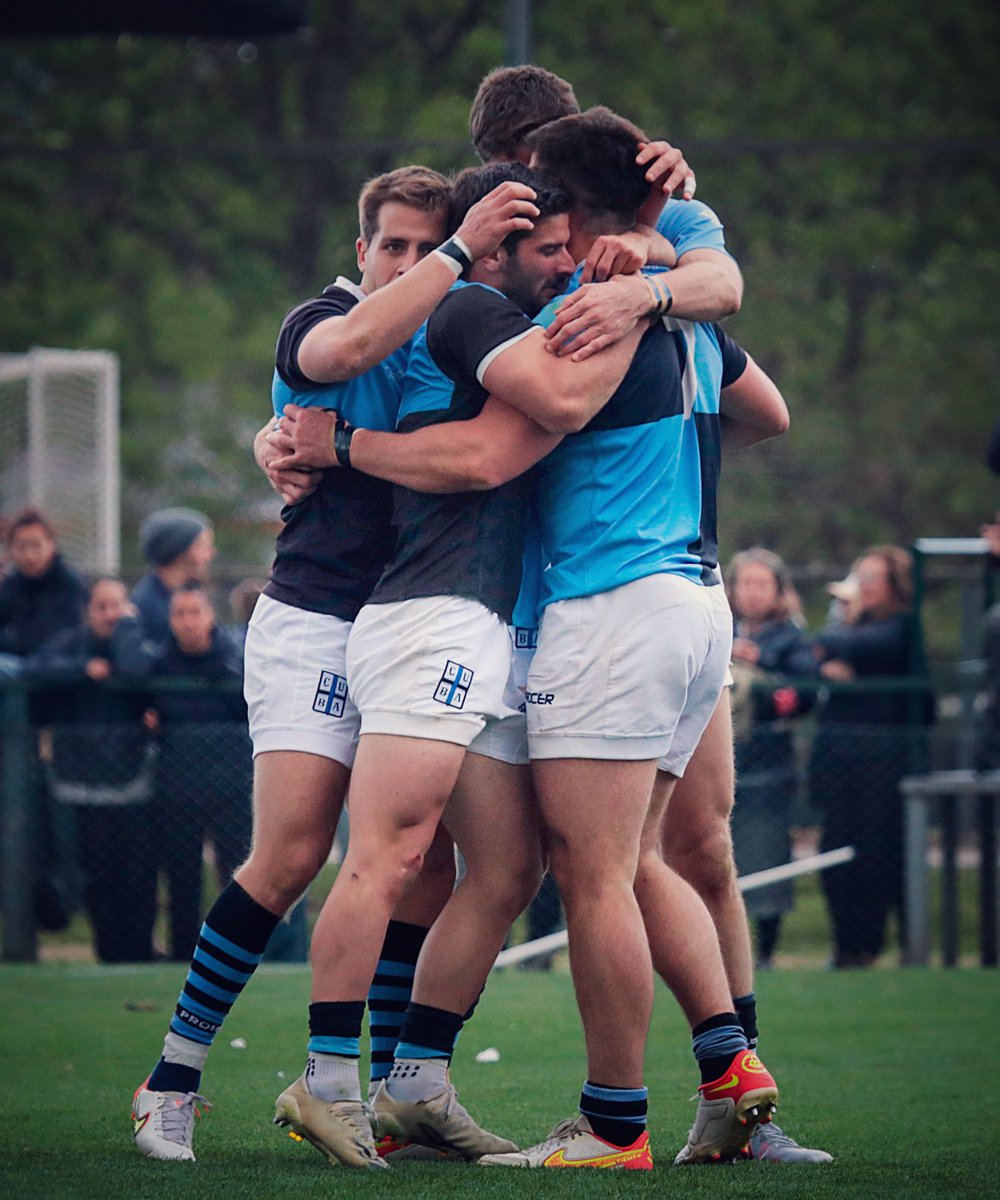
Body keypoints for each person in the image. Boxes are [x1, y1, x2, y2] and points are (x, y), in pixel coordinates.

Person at [131, 165, 540, 1162]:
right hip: (316, 618)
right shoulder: (323, 318)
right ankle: (172, 1078)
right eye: (390, 246)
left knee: (432, 862)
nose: (407, 261)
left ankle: (401, 1084)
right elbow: (345, 349)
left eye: (424, 244)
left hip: (409, 620)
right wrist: (445, 256)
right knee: (293, 854)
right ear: (363, 253)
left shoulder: (449, 331)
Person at [467, 65, 829, 1164]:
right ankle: (732, 1071)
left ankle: (612, 1127)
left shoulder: (589, 303)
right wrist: (662, 276)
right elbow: (760, 404)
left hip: (610, 602)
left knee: (592, 874)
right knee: (640, 862)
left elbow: (537, 414)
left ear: (562, 206)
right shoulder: (670, 287)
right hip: (691, 596)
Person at [272, 160, 653, 1169]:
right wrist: (636, 309)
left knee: (506, 867)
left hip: (472, 626)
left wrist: (655, 264)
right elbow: (498, 449)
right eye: (546, 249)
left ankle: (414, 1083)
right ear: (492, 250)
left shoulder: (485, 317)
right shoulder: (473, 311)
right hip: (427, 620)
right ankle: (327, 1082)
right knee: (386, 856)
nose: (565, 264)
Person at [23, 578, 156, 962]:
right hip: (80, 786)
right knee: (99, 878)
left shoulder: (135, 641)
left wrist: (128, 631)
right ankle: (108, 954)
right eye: (102, 606)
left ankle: (140, 953)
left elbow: (139, 673)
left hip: (132, 785)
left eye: (118, 606)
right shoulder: (70, 644)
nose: (110, 614)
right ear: (88, 610)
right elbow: (35, 668)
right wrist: (82, 668)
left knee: (138, 877)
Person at [810, 545, 920, 968]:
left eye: (873, 579)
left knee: (877, 858)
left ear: (894, 585)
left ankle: (872, 945)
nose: (863, 588)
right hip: (841, 761)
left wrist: (844, 646)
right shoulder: (852, 625)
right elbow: (817, 650)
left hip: (883, 762)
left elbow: (854, 644)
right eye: (861, 578)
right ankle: (846, 946)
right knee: (836, 856)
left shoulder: (901, 626)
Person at [146, 583, 252, 962]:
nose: (187, 622)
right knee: (181, 880)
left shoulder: (236, 661)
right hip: (178, 790)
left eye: (195, 613)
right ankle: (181, 955)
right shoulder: (158, 666)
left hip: (231, 788)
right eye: (179, 614)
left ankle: (236, 956)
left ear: (210, 616)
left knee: (237, 877)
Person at [727, 549, 816, 969]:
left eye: (762, 584)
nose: (753, 592)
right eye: (746, 583)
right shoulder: (717, 626)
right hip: (715, 766)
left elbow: (806, 694)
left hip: (767, 769)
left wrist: (762, 664)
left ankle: (764, 952)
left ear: (779, 590)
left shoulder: (791, 638)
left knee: (766, 857)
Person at [0, 508, 87, 677]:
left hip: (56, 674)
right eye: (21, 547)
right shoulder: (12, 584)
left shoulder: (70, 585)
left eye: (36, 546)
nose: (29, 556)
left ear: (51, 545)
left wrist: (13, 639)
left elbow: (48, 638)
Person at [130, 508, 215, 646]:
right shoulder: (149, 607)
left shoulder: (185, 593)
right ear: (179, 551)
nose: (211, 554)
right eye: (203, 545)